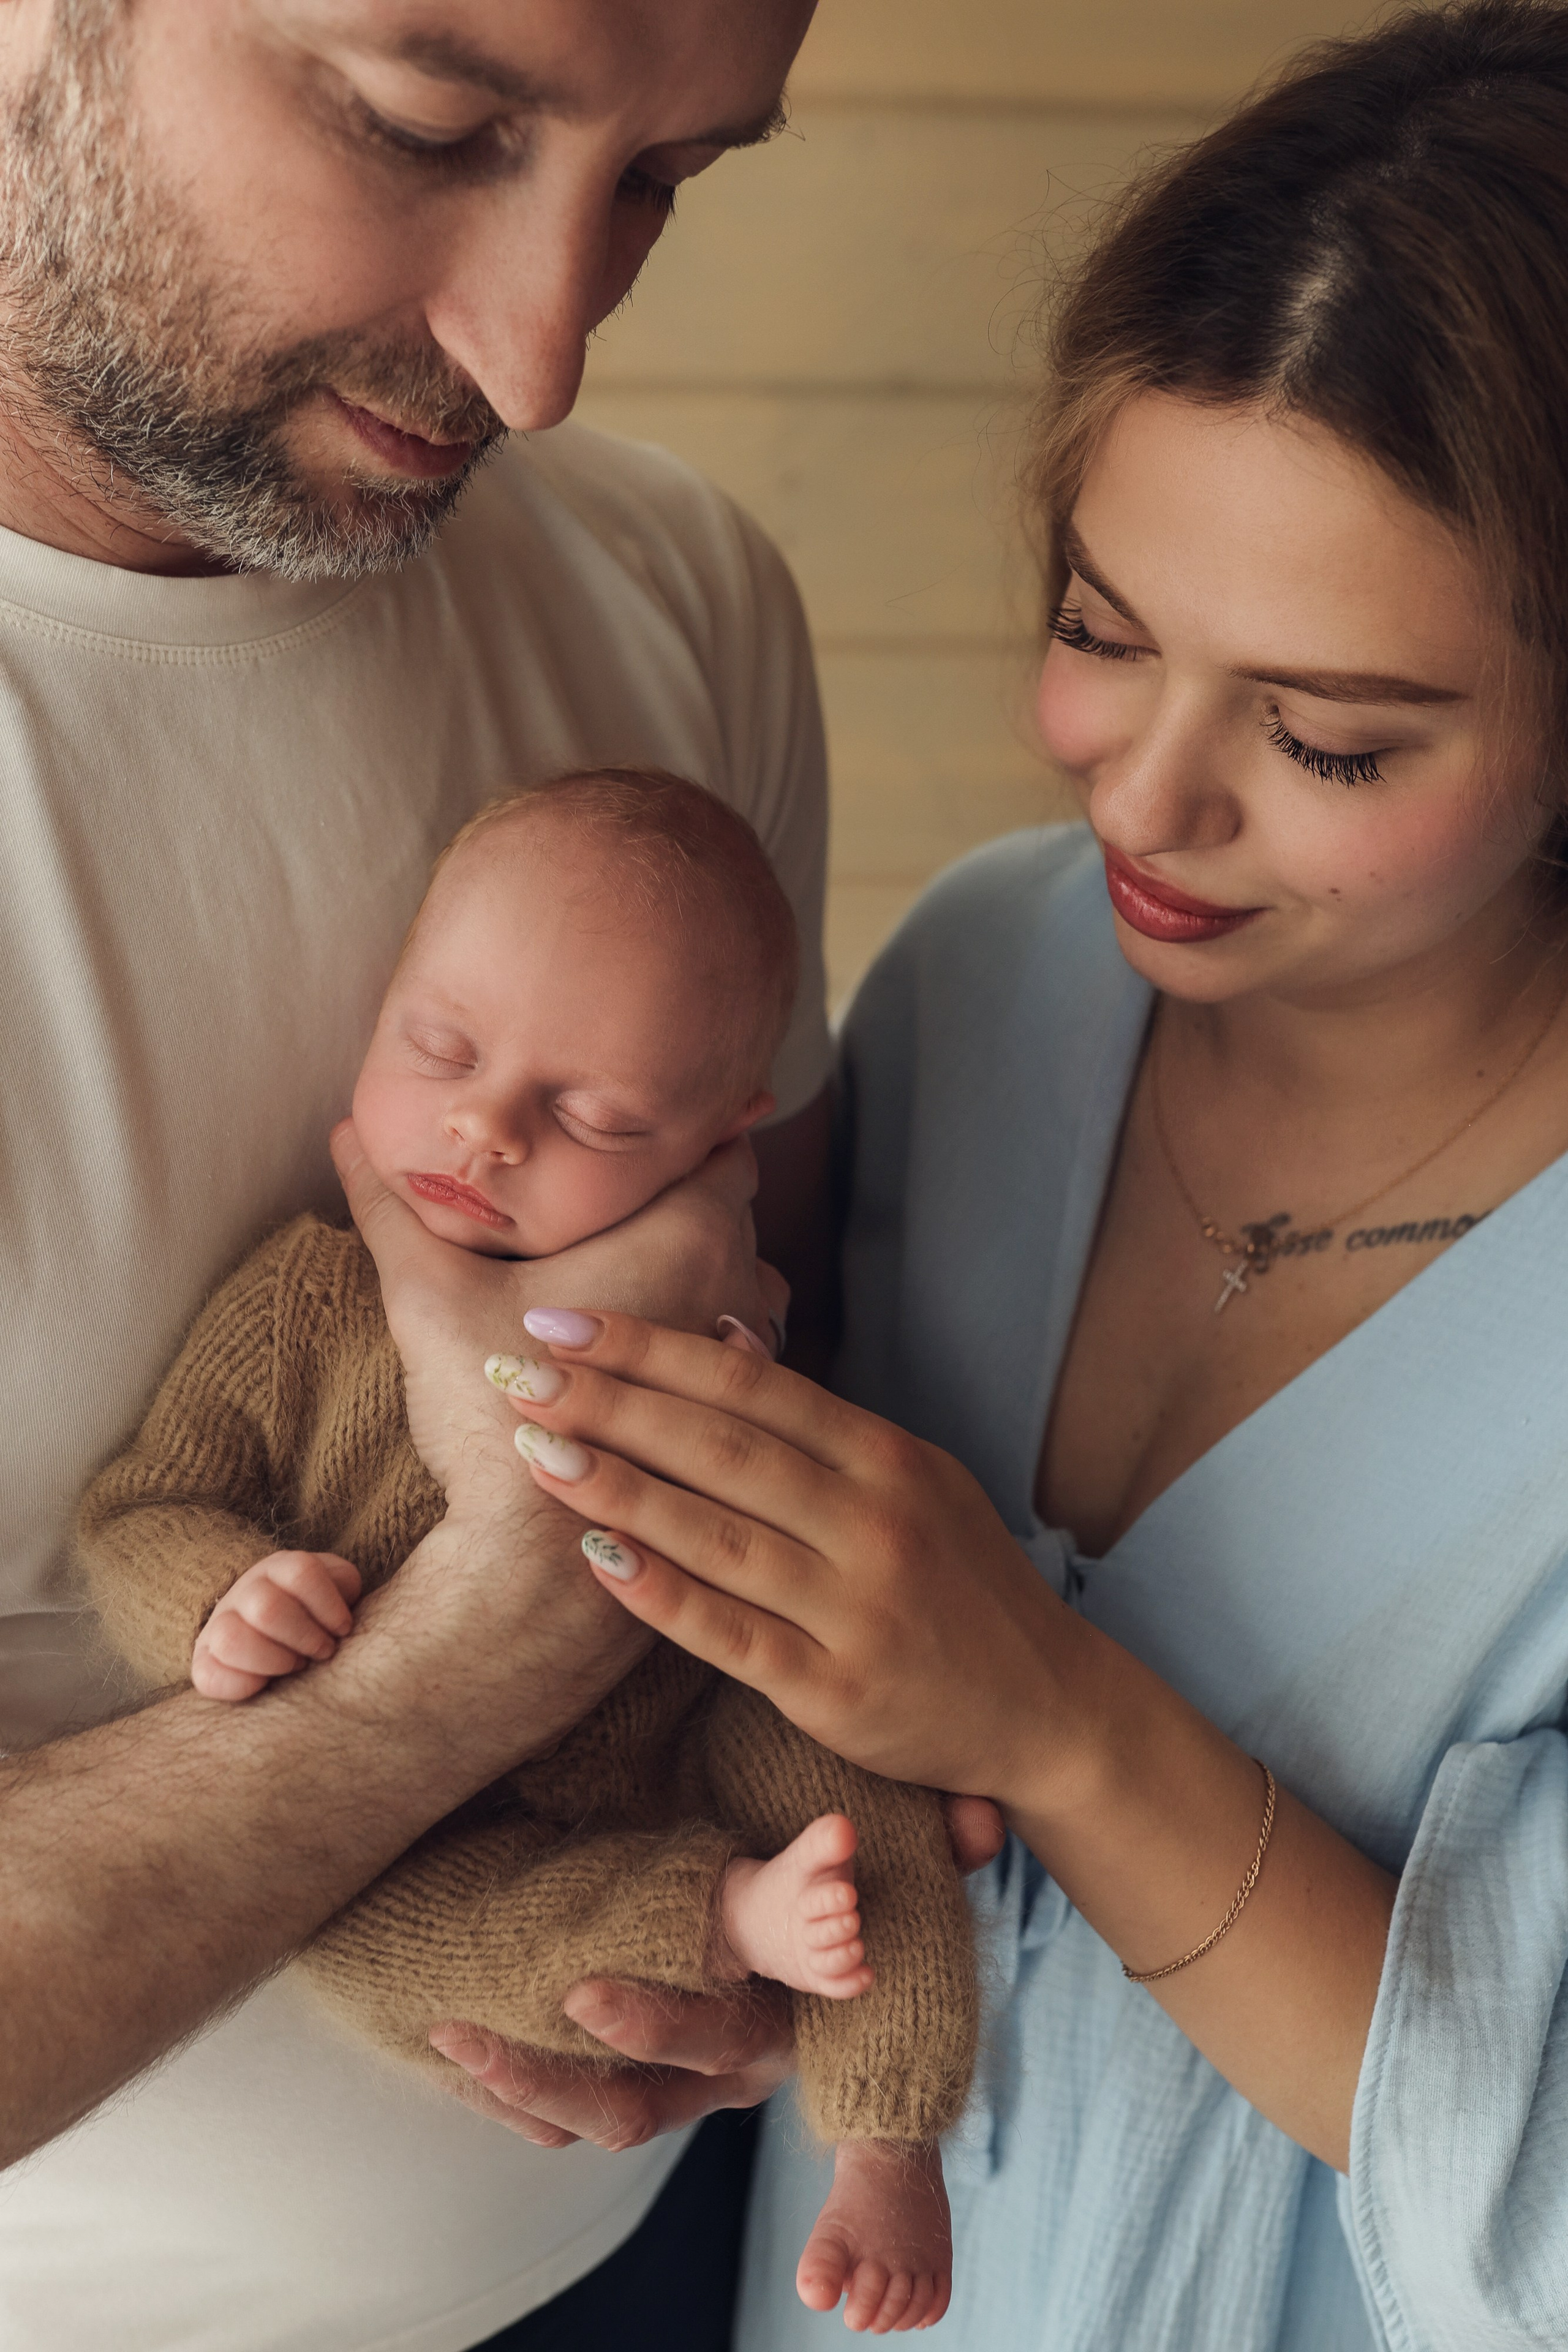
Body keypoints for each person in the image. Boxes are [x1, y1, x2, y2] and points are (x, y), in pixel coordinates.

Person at [443, 4, 1568, 2343]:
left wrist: (1051, 1710)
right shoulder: (981, 987)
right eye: (1097, 627)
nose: (1142, 808)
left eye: (1332, 738)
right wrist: (701, 1971)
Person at [0, 1, 883, 2347]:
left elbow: (790, 1373)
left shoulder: (674, 597)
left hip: (661, 2261)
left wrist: (761, 1939)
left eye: (666, 182)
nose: (545, 351)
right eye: (432, 126)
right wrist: (487, 1642)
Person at [78, 770, 974, 2337]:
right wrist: (220, 1595)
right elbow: (147, 1506)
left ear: (717, 1141)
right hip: (411, 1842)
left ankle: (886, 2145)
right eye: (441, 1048)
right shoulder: (305, 1301)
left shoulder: (712, 1307)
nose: (484, 1129)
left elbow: (791, 1511)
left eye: (595, 1118)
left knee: (861, 1775)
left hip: (689, 1716)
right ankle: (721, 1919)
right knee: (358, 1936)